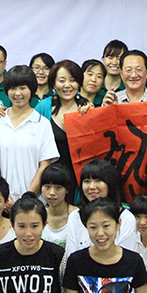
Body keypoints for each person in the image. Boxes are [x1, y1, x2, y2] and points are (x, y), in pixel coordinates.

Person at [0, 65, 59, 203]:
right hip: (3, 202)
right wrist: (3, 196)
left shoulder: (42, 124)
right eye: (13, 88)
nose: (17, 93)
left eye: (23, 88)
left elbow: (44, 165)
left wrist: (28, 196)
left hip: (33, 201)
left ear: (32, 90)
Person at [34, 60, 90, 195]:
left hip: (79, 180)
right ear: (53, 84)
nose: (67, 85)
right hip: (49, 181)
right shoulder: (43, 107)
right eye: (62, 80)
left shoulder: (88, 108)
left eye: (72, 80)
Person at [65, 159, 137, 256]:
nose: (91, 187)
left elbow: (126, 257)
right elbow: (71, 255)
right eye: (87, 181)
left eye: (98, 181)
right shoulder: (75, 217)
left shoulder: (126, 218)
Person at [41, 163, 78, 250]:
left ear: (67, 189)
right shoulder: (39, 215)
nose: (52, 193)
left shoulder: (77, 216)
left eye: (58, 188)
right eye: (47, 187)